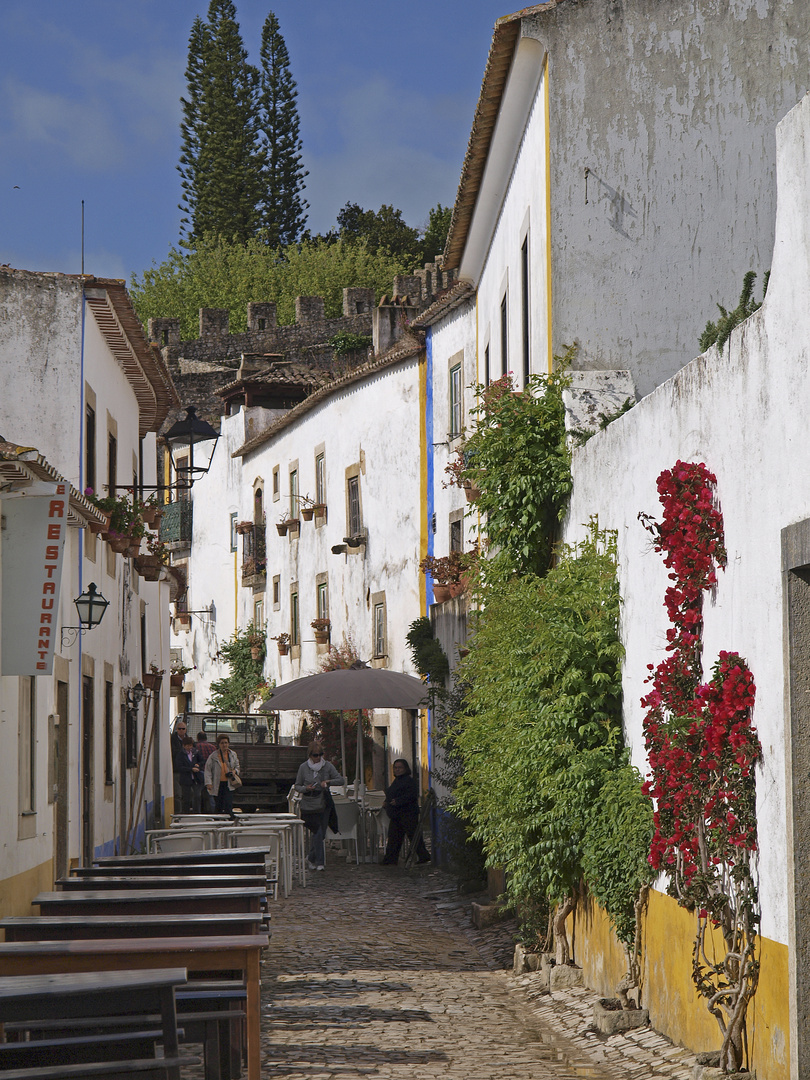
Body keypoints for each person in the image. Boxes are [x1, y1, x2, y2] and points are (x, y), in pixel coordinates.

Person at [294, 742, 344, 871]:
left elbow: (340, 780)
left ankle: (311, 857)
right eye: (315, 755)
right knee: (317, 831)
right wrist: (306, 788)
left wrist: (327, 782)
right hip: (309, 805)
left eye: (320, 755)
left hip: (324, 804)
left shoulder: (327, 766)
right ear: (310, 755)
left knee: (320, 834)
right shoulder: (303, 767)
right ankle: (320, 862)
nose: (318, 758)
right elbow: (297, 786)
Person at [381, 759, 430, 865]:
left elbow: (411, 795)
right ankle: (390, 859)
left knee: (413, 836)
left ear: (405, 769)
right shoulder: (397, 780)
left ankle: (423, 856)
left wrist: (398, 801)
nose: (397, 770)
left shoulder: (409, 781)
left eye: (400, 767)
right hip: (397, 814)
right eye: (395, 767)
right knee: (394, 837)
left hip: (407, 813)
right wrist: (387, 801)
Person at [204, 733, 241, 815]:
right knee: (218, 805)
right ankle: (218, 822)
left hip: (229, 783)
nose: (224, 745)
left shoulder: (233, 754)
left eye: (226, 743)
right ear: (219, 744)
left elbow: (237, 766)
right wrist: (208, 783)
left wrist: (235, 771)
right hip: (218, 783)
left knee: (228, 804)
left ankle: (230, 822)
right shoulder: (213, 756)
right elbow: (208, 770)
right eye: (222, 743)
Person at [176, 736, 202, 813]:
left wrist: (198, 765)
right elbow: (179, 767)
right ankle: (185, 812)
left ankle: (197, 812)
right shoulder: (180, 755)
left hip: (196, 778)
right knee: (186, 797)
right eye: (187, 745)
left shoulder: (196, 752)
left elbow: (202, 761)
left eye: (190, 745)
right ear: (183, 746)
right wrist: (190, 769)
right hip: (185, 779)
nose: (189, 747)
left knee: (197, 796)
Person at [195, 731, 218, 810]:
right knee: (210, 794)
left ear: (197, 738)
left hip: (199, 773)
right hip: (210, 773)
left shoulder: (195, 747)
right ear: (206, 738)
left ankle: (198, 811)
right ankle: (212, 811)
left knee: (197, 794)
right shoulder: (212, 747)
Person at [170, 718, 187, 810]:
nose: (181, 730)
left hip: (187, 770)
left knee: (188, 792)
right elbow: (173, 752)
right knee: (177, 793)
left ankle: (185, 811)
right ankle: (179, 812)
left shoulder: (188, 739)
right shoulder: (172, 739)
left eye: (183, 729)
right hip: (176, 770)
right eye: (179, 729)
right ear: (176, 729)